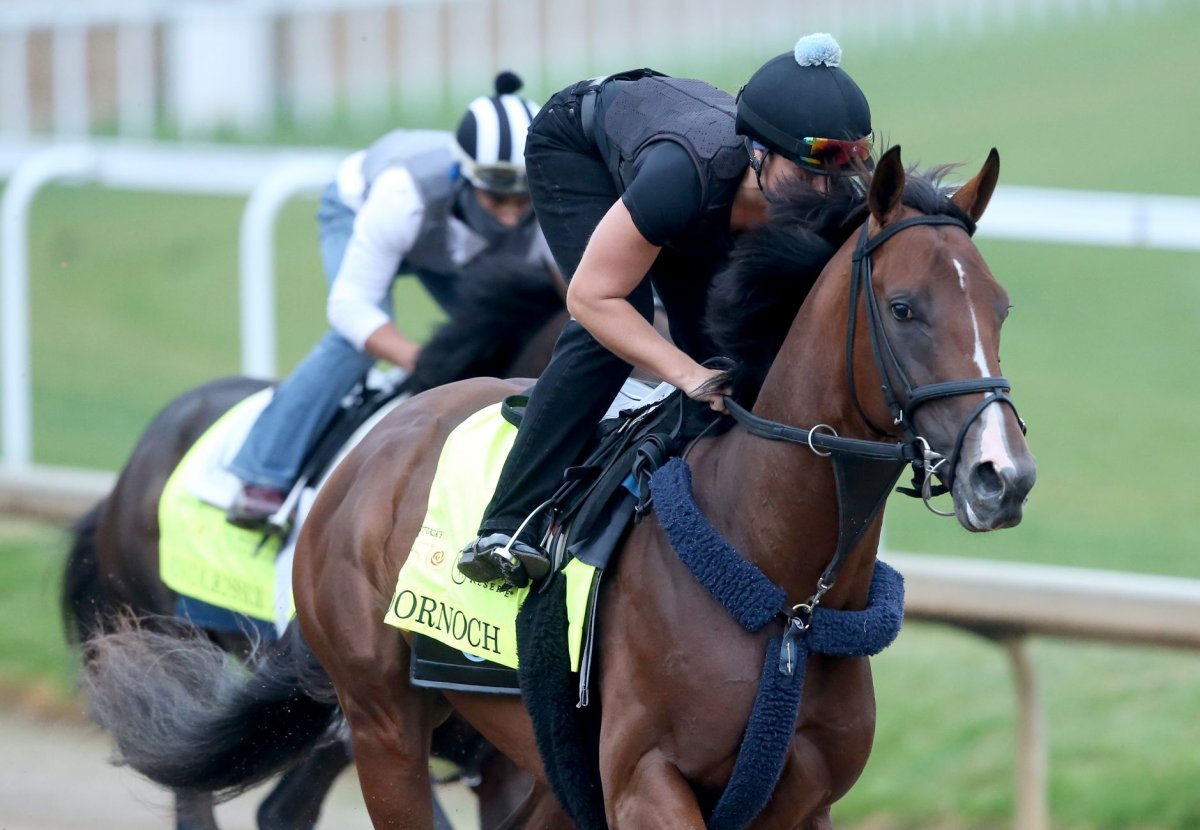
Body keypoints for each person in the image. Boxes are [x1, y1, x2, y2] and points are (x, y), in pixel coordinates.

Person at [456, 33, 875, 587]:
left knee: (727, 354)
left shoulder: (806, 180)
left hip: (687, 177)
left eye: (834, 176)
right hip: (580, 150)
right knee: (615, 318)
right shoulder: (684, 181)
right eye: (805, 173)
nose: (822, 191)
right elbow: (590, 298)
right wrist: (688, 375)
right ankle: (507, 525)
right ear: (758, 151)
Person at [227, 72, 557, 528]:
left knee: (510, 325)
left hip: (450, 240)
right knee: (355, 341)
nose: (510, 215)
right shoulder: (404, 194)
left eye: (525, 201)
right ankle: (263, 473)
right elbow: (350, 307)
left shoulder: (544, 204)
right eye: (496, 198)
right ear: (461, 176)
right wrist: (423, 362)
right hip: (359, 210)